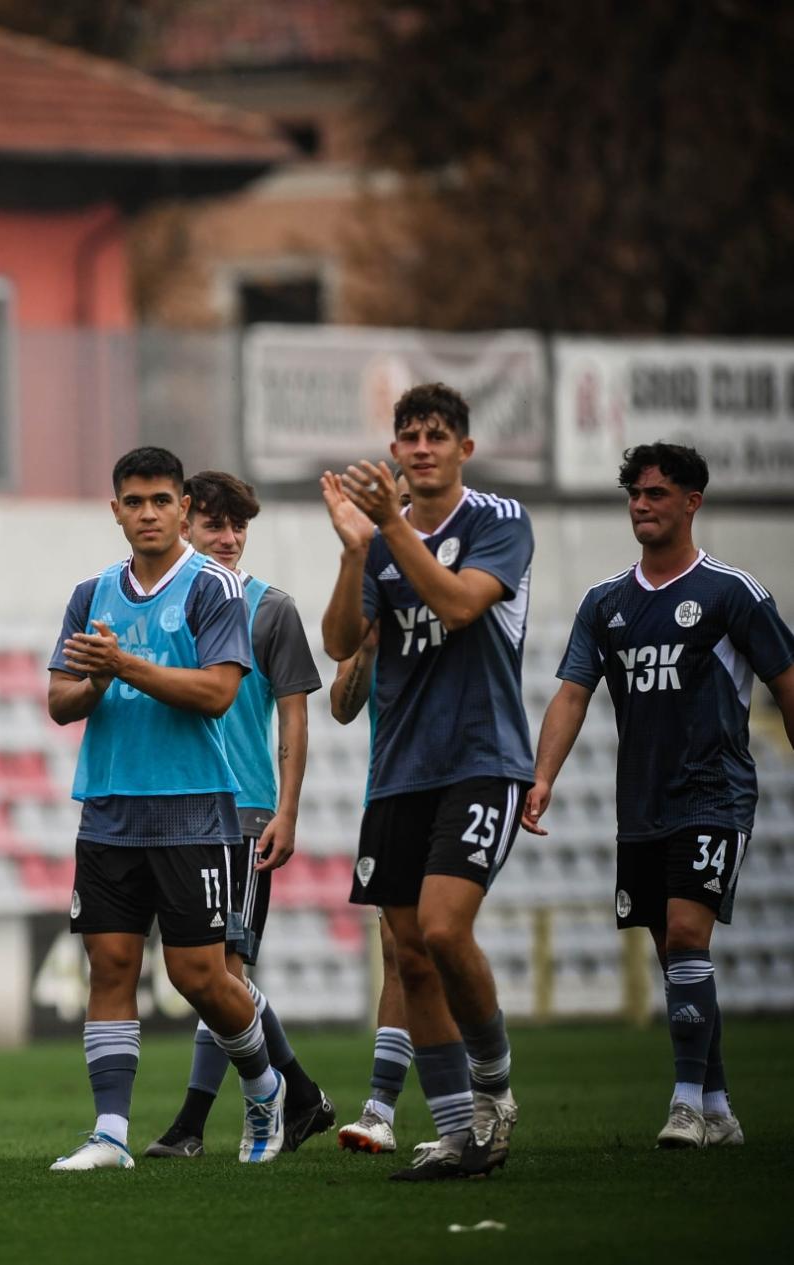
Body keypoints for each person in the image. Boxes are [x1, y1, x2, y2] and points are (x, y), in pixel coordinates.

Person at [522, 442, 794, 1149]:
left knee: (685, 935)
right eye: (635, 494)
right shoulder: (604, 602)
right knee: (676, 959)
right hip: (639, 802)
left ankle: (682, 1103)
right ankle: (719, 1104)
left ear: (692, 501)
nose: (642, 505)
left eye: (657, 493)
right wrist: (543, 774)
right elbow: (573, 693)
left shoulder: (733, 591)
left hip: (713, 791)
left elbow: (786, 683)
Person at [46, 446, 287, 1172]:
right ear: (114, 508)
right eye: (133, 500)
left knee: (200, 976)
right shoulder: (91, 594)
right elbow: (60, 701)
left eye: (160, 499)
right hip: (111, 807)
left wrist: (125, 667)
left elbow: (218, 690)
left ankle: (266, 1087)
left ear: (183, 506)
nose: (147, 512)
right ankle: (111, 1133)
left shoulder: (213, 586)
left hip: (192, 809)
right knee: (110, 963)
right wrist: (94, 682)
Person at [320, 382, 531, 1180]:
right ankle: (456, 1134)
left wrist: (388, 529)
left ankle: (495, 1090)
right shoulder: (377, 542)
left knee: (443, 929)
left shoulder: (499, 522)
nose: (420, 446)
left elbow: (458, 604)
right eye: (408, 435)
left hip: (482, 757)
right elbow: (342, 638)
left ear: (463, 450)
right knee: (409, 956)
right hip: (398, 769)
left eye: (437, 435)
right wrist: (352, 552)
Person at [147, 471, 332, 1159]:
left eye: (238, 526)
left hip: (244, 812)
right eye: (214, 523)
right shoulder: (158, 603)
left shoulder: (271, 608)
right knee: (216, 975)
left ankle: (194, 1122)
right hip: (175, 811)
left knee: (222, 967)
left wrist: (287, 808)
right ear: (187, 523)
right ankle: (304, 1094)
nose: (226, 537)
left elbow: (294, 715)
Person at [328, 630, 414, 1155]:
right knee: (398, 951)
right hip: (389, 794)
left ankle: (487, 1091)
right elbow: (342, 706)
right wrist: (367, 646)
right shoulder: (369, 600)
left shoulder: (458, 591)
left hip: (461, 786)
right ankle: (380, 1110)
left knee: (442, 944)